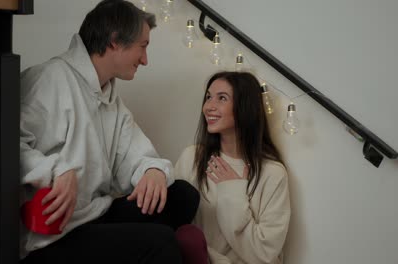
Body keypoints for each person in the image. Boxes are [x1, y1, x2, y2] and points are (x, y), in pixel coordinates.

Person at [19, 1, 199, 263]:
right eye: (143, 46)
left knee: (183, 196)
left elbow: (136, 156)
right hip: (50, 238)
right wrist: (55, 168)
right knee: (161, 243)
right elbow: (4, 145)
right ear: (115, 41)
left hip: (93, 217)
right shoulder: (49, 79)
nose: (145, 60)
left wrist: (153, 171)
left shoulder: (111, 99)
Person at [174, 71, 291, 264]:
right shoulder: (192, 158)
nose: (209, 107)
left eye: (222, 98)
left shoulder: (273, 173)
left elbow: (264, 253)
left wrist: (232, 191)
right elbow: (177, 229)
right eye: (208, 97)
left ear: (244, 107)